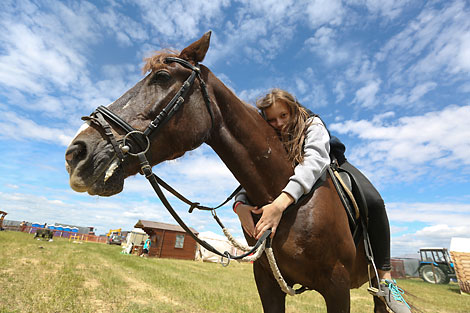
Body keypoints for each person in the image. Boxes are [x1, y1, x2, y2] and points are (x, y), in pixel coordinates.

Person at [232, 89, 410, 313]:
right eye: (272, 119)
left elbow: (315, 161)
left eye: (283, 116)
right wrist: (238, 205)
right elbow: (255, 175)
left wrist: (279, 204)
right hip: (291, 173)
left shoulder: (312, 123)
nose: (278, 123)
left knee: (375, 201)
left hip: (330, 164)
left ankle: (385, 279)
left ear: (293, 110)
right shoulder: (269, 136)